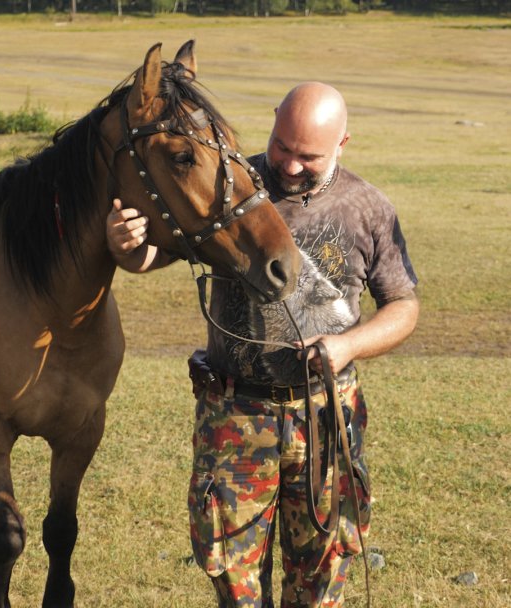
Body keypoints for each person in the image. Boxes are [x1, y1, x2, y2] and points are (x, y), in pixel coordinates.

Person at [106, 82, 419, 607]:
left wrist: (348, 346)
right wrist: (125, 247)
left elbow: (403, 308)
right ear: (273, 121)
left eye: (309, 156)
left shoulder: (369, 209)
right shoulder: (227, 181)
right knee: (233, 579)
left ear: (343, 143)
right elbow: (154, 256)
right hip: (234, 416)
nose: (291, 166)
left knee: (322, 573)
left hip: (325, 418)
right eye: (282, 147)